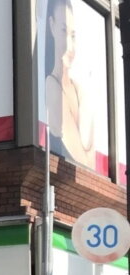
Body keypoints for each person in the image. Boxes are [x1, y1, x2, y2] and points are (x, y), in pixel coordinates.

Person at [44, 0, 95, 167]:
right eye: (63, 31)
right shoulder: (51, 86)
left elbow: (91, 165)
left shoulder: (79, 90)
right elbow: (85, 164)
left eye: (73, 36)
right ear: (51, 25)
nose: (70, 46)